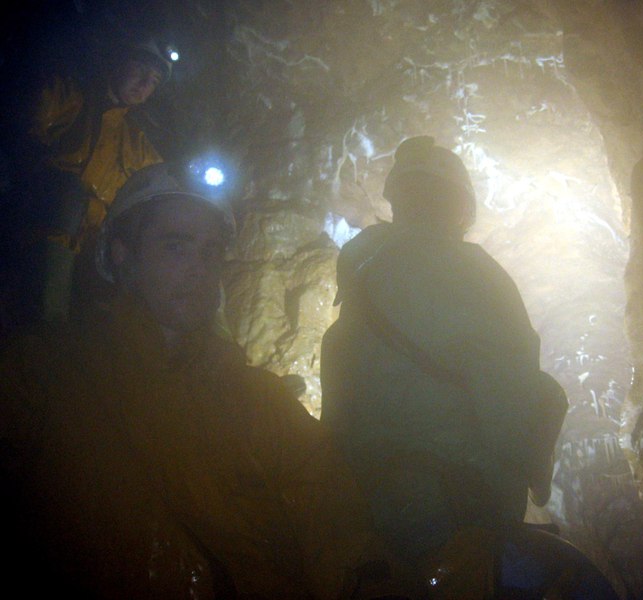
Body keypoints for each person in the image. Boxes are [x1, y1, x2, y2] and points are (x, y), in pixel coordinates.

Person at [0, 161, 410, 599]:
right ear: (121, 253)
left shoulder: (255, 398)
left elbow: (333, 510)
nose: (198, 269)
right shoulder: (40, 375)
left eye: (210, 252)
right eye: (176, 247)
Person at [320, 136, 605, 598]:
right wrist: (528, 478)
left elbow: (337, 407)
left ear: (397, 199)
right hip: (455, 509)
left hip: (366, 509)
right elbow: (511, 399)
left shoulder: (360, 277)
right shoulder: (477, 276)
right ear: (460, 207)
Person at [2, 35, 169, 328]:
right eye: (141, 70)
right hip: (36, 221)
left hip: (91, 246)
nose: (145, 84)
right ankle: (44, 322)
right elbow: (23, 114)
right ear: (119, 63)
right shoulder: (71, 99)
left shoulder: (137, 143)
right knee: (69, 194)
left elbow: (163, 186)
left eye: (154, 81)